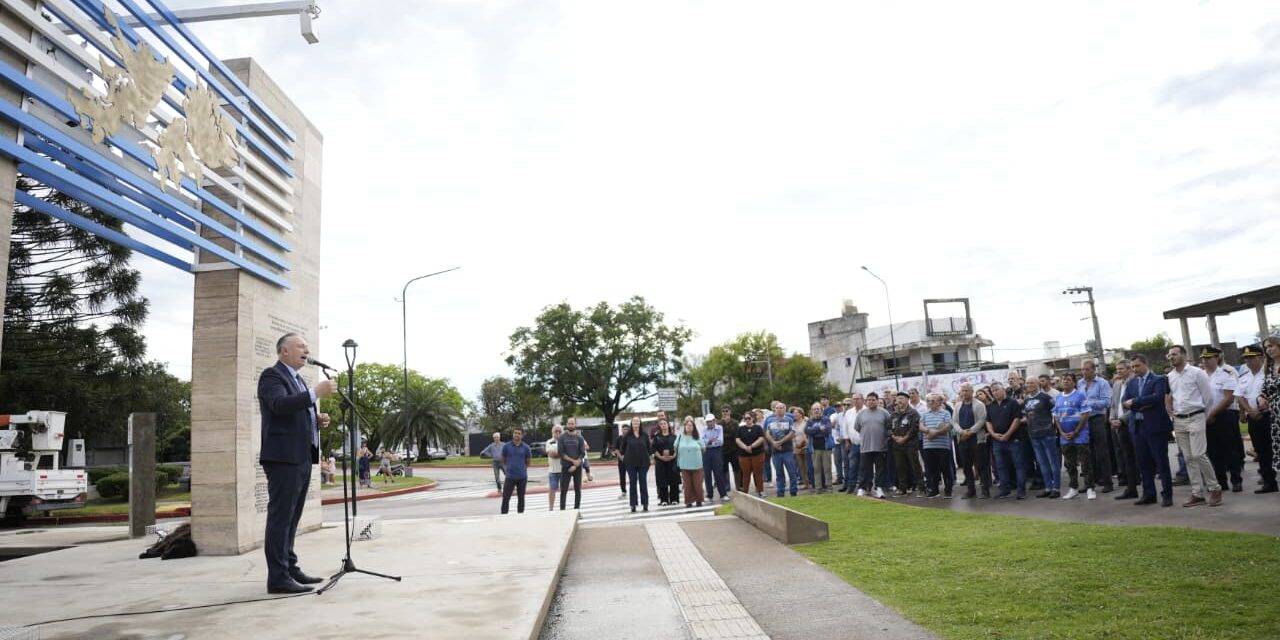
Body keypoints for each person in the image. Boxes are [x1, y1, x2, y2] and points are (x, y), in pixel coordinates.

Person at [258, 332, 336, 594]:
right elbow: (279, 405)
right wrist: (315, 393)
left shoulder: (299, 379)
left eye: (307, 346)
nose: (306, 350)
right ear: (284, 352)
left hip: (301, 457)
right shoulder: (272, 376)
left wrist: (318, 419)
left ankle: (290, 568)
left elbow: (296, 413)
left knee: (292, 518)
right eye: (301, 346)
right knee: (280, 518)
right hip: (282, 458)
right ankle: (278, 578)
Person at [1166, 345, 1223, 507]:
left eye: (1175, 354)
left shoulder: (1197, 373)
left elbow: (1208, 398)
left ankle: (1214, 488)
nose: (1171, 357)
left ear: (1184, 355)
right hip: (1179, 419)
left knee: (1199, 454)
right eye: (1169, 355)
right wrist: (1171, 412)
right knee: (1188, 457)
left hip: (1196, 416)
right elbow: (1171, 396)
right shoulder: (1170, 376)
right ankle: (1197, 493)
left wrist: (1204, 417)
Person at [1123, 354, 1175, 507]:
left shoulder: (1158, 379)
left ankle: (1167, 495)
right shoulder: (1132, 383)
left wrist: (1136, 402)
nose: (1134, 369)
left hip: (1155, 427)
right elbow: (1125, 402)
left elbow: (1157, 398)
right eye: (1132, 367)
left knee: (1161, 462)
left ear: (1145, 364)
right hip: (1137, 427)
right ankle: (1149, 494)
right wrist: (1140, 403)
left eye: (1137, 366)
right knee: (1143, 463)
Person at [1200, 347, 1244, 493]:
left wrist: (1212, 413)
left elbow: (1229, 398)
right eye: (1204, 358)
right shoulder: (1200, 376)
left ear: (1217, 358)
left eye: (1209, 358)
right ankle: (1221, 481)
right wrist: (1207, 415)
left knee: (1230, 449)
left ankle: (1236, 480)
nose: (1206, 361)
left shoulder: (1226, 375)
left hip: (1224, 415)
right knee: (1213, 451)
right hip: (1206, 418)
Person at [1238, 344, 1277, 493]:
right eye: (1246, 358)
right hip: (1253, 417)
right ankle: (1269, 482)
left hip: (1270, 415)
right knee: (1261, 451)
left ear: (1261, 357)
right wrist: (1249, 411)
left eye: (1252, 357)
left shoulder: (1269, 373)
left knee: (1274, 448)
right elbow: (1239, 396)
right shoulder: (1244, 377)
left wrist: (1261, 409)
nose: (1248, 361)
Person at [1077, 360, 1114, 494]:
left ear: (1093, 370)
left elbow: (1106, 402)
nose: (1084, 372)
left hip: (1097, 419)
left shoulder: (1102, 383)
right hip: (1083, 421)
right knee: (1087, 453)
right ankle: (1090, 483)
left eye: (1087, 369)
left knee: (1102, 452)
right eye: (1082, 370)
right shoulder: (1080, 383)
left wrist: (1089, 402)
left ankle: (1107, 482)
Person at [1055, 373, 1094, 500]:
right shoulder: (1058, 397)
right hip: (1064, 437)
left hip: (1080, 435)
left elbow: (1085, 414)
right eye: (1063, 380)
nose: (1065, 382)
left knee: (1085, 462)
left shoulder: (1080, 395)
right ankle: (1073, 488)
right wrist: (1061, 432)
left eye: (1068, 380)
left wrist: (1076, 431)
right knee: (1069, 464)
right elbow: (1055, 416)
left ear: (1074, 382)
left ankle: (1090, 488)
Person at [986, 383, 1028, 499]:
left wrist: (1007, 434)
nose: (994, 392)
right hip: (997, 441)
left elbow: (1017, 419)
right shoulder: (991, 405)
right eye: (992, 391)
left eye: (996, 390)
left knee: (1018, 465)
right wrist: (993, 434)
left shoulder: (1013, 403)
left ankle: (1021, 491)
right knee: (1001, 466)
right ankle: (1005, 490)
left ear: (1003, 390)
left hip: (1014, 439)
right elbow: (988, 422)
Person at [951, 383, 991, 499]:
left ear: (972, 391)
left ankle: (985, 490)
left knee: (981, 465)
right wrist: (962, 432)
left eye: (966, 391)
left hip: (977, 439)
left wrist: (970, 432)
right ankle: (971, 490)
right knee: (966, 466)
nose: (964, 393)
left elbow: (982, 420)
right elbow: (954, 421)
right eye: (962, 391)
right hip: (963, 439)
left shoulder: (979, 405)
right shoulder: (958, 405)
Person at [1023, 380, 1061, 498]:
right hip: (1034, 435)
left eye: (1032, 382)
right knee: (1042, 463)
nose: (1029, 385)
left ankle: (1056, 488)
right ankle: (1048, 487)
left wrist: (1054, 426)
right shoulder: (1026, 399)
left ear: (1037, 383)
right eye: (1027, 383)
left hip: (1047, 434)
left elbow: (1056, 411)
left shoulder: (1045, 397)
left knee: (1053, 462)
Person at [1110, 360, 1140, 500]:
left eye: (1121, 369)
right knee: (1126, 457)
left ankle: (1144, 487)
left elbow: (1137, 405)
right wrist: (1112, 419)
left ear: (1129, 369)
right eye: (1117, 369)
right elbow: (1113, 405)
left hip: (1133, 424)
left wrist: (1122, 419)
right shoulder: (1116, 384)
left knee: (1139, 457)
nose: (1119, 371)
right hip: (1119, 426)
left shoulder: (1136, 382)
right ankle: (1131, 488)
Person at [854, 392, 893, 499]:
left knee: (880, 469)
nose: (871, 402)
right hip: (865, 447)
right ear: (866, 401)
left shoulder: (884, 413)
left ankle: (879, 488)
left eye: (873, 400)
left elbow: (889, 427)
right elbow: (857, 427)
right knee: (865, 469)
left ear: (877, 400)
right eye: (869, 400)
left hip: (880, 447)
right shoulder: (861, 414)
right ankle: (862, 488)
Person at [919, 393, 954, 497]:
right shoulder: (924, 414)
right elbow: (920, 426)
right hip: (928, 446)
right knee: (931, 469)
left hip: (942, 446)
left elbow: (948, 426)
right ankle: (934, 490)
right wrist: (929, 431)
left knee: (945, 468)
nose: (930, 403)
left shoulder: (946, 413)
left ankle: (948, 490)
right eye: (929, 401)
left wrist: (936, 433)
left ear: (940, 402)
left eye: (933, 401)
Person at [888, 393, 922, 496]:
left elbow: (914, 428)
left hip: (910, 444)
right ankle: (903, 488)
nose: (899, 401)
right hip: (897, 445)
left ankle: (921, 488)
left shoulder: (913, 413)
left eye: (901, 398)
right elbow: (889, 428)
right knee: (900, 467)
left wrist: (905, 438)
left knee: (915, 466)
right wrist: (894, 437)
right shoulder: (894, 414)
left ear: (907, 400)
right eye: (898, 399)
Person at [764, 403, 799, 497]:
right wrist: (773, 443)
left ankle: (793, 492)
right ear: (774, 409)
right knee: (779, 474)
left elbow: (792, 433)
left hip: (787, 450)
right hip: (775, 452)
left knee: (792, 472)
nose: (779, 409)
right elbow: (767, 433)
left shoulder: (789, 420)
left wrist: (780, 442)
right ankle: (780, 493)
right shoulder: (769, 420)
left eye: (781, 408)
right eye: (777, 408)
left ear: (785, 409)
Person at [619, 416, 651, 512]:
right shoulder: (627, 436)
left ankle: (645, 504)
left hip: (643, 463)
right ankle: (633, 504)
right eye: (634, 421)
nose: (636, 423)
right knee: (632, 482)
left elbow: (649, 448)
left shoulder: (644, 435)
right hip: (630, 463)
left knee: (643, 482)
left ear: (640, 423)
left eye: (637, 421)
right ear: (631, 423)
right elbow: (623, 449)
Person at [1259, 336, 1280, 481]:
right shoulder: (1269, 367)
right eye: (1266, 347)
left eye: (1271, 346)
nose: (1268, 350)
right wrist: (1261, 398)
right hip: (1276, 418)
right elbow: (1265, 389)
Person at [557, 417, 589, 510]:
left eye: (572, 423)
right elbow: (561, 453)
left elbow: (582, 453)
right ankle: (562, 510)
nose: (571, 425)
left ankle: (577, 510)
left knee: (577, 490)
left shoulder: (580, 438)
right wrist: (572, 461)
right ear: (567, 425)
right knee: (563, 490)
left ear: (575, 424)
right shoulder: (562, 437)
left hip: (577, 468)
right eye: (569, 423)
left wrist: (575, 464)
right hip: (566, 467)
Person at [500, 428, 532, 514]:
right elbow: (503, 460)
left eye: (519, 433)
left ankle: (520, 516)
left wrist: (522, 469)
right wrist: (507, 469)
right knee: (506, 498)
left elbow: (528, 462)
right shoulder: (506, 446)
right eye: (515, 433)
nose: (516, 435)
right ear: (513, 434)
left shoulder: (526, 447)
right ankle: (503, 516)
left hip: (522, 477)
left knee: (521, 498)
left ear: (522, 435)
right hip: (510, 477)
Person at [735, 411, 767, 497]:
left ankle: (760, 491)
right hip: (744, 455)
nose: (747, 420)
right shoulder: (740, 429)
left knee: (758, 473)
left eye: (749, 418)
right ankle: (745, 492)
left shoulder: (758, 428)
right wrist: (745, 447)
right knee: (745, 474)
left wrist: (751, 446)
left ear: (753, 418)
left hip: (757, 454)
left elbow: (761, 438)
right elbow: (737, 440)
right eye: (745, 418)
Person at [677, 418, 706, 507]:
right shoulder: (680, 436)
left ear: (693, 427)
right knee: (687, 485)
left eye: (691, 425)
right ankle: (688, 501)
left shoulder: (697, 437)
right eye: (687, 425)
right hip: (684, 464)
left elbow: (703, 448)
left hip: (697, 464)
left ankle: (699, 500)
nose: (689, 427)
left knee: (697, 484)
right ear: (684, 427)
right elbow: (675, 447)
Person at [805, 403, 834, 493]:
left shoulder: (826, 419)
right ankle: (818, 488)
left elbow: (827, 431)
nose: (816, 411)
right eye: (814, 409)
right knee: (817, 469)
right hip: (814, 448)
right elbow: (807, 431)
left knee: (827, 469)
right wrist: (819, 428)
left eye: (818, 409)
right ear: (812, 411)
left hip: (825, 448)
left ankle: (829, 487)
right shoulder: (809, 421)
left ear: (821, 410)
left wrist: (814, 430)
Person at [840, 394, 865, 493]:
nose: (855, 401)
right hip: (853, 444)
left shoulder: (866, 411)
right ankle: (851, 487)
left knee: (864, 466)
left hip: (865, 444)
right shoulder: (849, 412)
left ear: (862, 400)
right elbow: (845, 428)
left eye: (857, 399)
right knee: (852, 466)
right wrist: (847, 441)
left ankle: (864, 487)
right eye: (854, 399)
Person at [652, 419, 680, 506]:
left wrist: (674, 456)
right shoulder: (656, 437)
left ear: (668, 425)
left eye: (665, 423)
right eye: (661, 424)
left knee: (674, 479)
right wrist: (661, 457)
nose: (663, 425)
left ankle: (674, 499)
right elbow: (653, 449)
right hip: (661, 461)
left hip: (672, 461)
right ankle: (664, 499)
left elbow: (677, 448)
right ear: (659, 426)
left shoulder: (674, 436)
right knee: (662, 480)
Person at [701, 413, 729, 501]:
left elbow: (720, 441)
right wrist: (710, 441)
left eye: (710, 421)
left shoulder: (719, 428)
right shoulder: (704, 429)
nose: (709, 423)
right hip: (706, 452)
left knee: (718, 473)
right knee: (707, 474)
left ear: (714, 421)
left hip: (717, 451)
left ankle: (723, 494)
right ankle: (709, 495)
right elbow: (702, 441)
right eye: (707, 422)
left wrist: (708, 441)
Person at [720, 406, 742, 492]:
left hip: (734, 450)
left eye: (727, 411)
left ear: (730, 412)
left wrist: (727, 433)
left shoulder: (735, 423)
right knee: (724, 469)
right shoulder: (719, 423)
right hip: (723, 450)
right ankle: (727, 486)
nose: (725, 413)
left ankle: (738, 486)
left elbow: (736, 435)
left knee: (736, 469)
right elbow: (719, 436)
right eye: (723, 411)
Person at [790, 407, 811, 491]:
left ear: (801, 414)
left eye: (796, 413)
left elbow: (807, 435)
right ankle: (805, 483)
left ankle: (811, 482)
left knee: (808, 466)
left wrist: (802, 444)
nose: (794, 415)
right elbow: (793, 436)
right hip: (796, 447)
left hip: (805, 446)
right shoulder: (793, 424)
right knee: (801, 467)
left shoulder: (806, 422)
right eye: (794, 413)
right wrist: (795, 446)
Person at [545, 426, 563, 511]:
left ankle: (562, 507)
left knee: (564, 490)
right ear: (553, 432)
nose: (558, 433)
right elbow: (551, 455)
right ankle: (551, 508)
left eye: (560, 431)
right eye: (556, 431)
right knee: (552, 490)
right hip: (553, 471)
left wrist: (557, 453)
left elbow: (566, 453)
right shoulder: (549, 442)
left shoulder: (564, 441)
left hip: (563, 470)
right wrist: (561, 454)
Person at [615, 424, 628, 499]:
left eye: (626, 429)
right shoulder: (619, 438)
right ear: (621, 430)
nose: (625, 430)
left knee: (632, 476)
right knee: (622, 476)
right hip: (621, 461)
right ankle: (623, 491)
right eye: (624, 429)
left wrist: (626, 456)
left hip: (629, 460)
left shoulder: (630, 438)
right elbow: (616, 449)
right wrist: (620, 457)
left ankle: (634, 491)